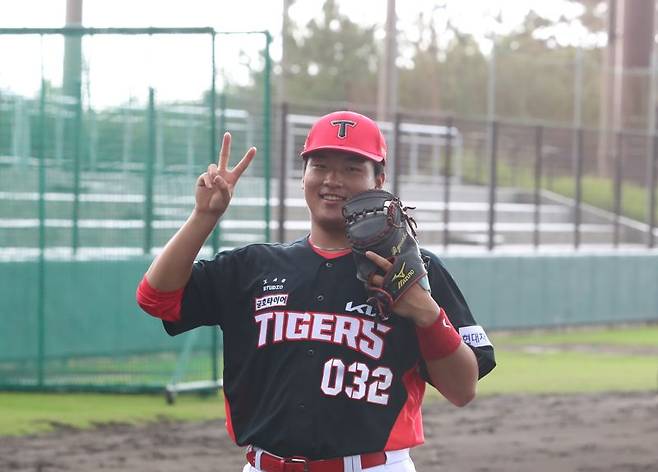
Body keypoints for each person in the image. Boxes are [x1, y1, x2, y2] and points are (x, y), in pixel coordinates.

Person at [136, 110, 496, 472]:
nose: (332, 180)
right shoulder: (253, 268)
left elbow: (462, 389)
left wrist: (426, 312)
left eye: (352, 168)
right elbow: (155, 298)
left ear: (379, 180)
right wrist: (204, 216)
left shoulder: (414, 270)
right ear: (303, 176)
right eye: (320, 166)